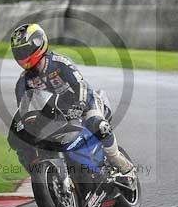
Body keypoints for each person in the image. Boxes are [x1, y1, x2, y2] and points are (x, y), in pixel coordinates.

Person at [10, 23, 134, 174]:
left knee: (98, 125)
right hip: (56, 115)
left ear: (38, 43)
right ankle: (45, 178)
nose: (22, 55)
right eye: (18, 52)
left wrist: (80, 105)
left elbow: (80, 85)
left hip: (85, 104)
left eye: (24, 50)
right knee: (24, 145)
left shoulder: (60, 63)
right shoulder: (22, 83)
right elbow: (23, 109)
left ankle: (119, 162)